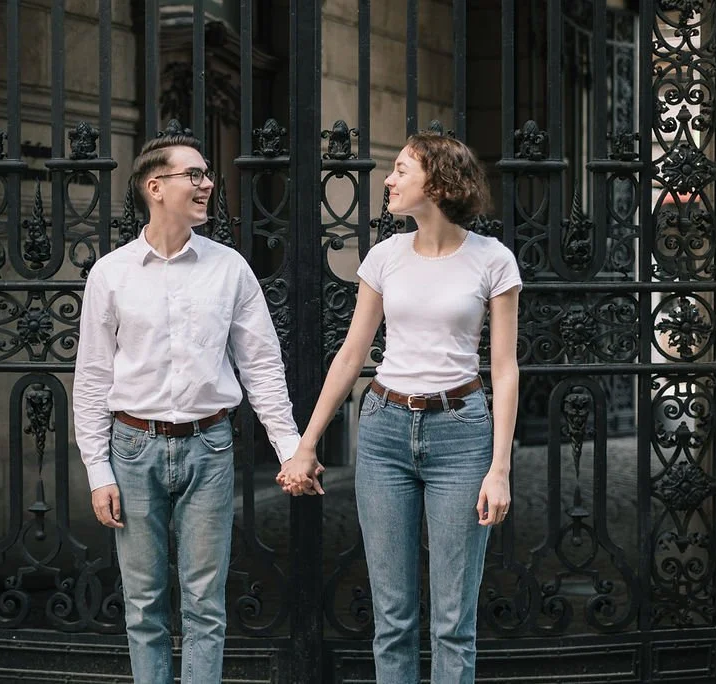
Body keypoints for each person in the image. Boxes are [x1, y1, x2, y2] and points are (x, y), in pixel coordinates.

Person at [278, 133, 521, 683]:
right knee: (392, 618)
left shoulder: (493, 260)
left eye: (402, 169)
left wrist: (499, 468)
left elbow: (505, 369)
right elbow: (351, 355)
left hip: (460, 434)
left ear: (438, 183)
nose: (388, 179)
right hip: (384, 430)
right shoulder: (385, 257)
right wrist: (306, 444)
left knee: (453, 621)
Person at [73, 126, 312, 683]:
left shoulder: (230, 268)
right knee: (143, 604)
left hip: (210, 447)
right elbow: (92, 378)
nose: (208, 184)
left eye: (207, 175)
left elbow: (261, 365)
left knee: (205, 603)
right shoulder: (111, 274)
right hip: (132, 449)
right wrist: (97, 470)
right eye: (195, 175)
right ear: (155, 187)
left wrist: (290, 448)